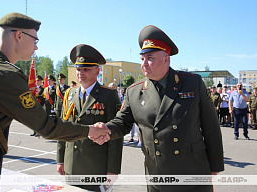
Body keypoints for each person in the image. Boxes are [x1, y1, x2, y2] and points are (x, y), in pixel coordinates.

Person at [0, 12, 110, 192]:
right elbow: (45, 126)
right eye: (35, 40)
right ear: (19, 35)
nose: (36, 47)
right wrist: (91, 130)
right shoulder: (5, 75)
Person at [94, 25, 224, 192]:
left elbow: (210, 125)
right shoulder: (134, 91)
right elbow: (122, 122)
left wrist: (215, 163)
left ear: (166, 59)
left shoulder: (192, 83)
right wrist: (106, 129)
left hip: (192, 172)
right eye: (142, 59)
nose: (144, 64)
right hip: (157, 174)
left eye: (150, 58)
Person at [56, 44, 123, 192]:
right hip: (71, 166)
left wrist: (112, 170)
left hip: (95, 169)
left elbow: (116, 135)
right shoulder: (69, 94)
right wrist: (60, 159)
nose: (81, 73)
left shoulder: (109, 95)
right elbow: (62, 128)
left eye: (86, 69)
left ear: (97, 71)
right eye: (78, 69)